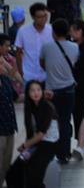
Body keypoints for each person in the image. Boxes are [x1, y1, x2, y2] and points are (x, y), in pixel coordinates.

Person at [38, 18, 78, 163]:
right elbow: (75, 63)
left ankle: (51, 152)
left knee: (51, 121)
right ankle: (64, 153)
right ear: (67, 32)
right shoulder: (74, 47)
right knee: (65, 120)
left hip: (51, 91)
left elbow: (42, 63)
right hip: (68, 90)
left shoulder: (46, 47)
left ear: (53, 32)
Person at [18, 81, 58, 186]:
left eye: (38, 90)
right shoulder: (29, 107)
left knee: (35, 173)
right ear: (28, 93)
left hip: (49, 144)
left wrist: (25, 145)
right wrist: (27, 147)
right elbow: (30, 132)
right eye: (32, 90)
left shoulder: (47, 107)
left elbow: (41, 134)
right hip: (36, 144)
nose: (36, 93)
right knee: (21, 168)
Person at [70, 20, 84, 161]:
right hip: (73, 84)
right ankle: (82, 144)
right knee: (76, 112)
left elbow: (82, 65)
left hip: (83, 84)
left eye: (73, 31)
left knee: (80, 112)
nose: (71, 34)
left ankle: (82, 144)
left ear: (80, 31)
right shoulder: (72, 44)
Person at [0, 34, 21, 182]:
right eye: (6, 45)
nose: (8, 48)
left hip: (8, 123)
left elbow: (16, 78)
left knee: (6, 163)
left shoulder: (4, 62)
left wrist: (15, 61)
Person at [15, 3, 53, 84]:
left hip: (47, 76)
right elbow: (18, 53)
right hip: (29, 76)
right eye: (40, 17)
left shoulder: (51, 30)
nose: (43, 19)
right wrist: (21, 72)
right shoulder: (23, 31)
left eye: (45, 16)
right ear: (33, 17)